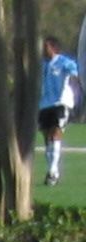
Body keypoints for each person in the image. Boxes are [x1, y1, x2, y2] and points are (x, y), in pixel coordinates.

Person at [41, 36, 81, 187]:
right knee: (47, 139)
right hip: (44, 105)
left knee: (55, 134)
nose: (43, 50)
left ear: (53, 48)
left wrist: (75, 87)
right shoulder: (42, 65)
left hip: (60, 103)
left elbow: (75, 74)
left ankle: (52, 171)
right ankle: (53, 171)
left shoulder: (64, 62)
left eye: (45, 47)